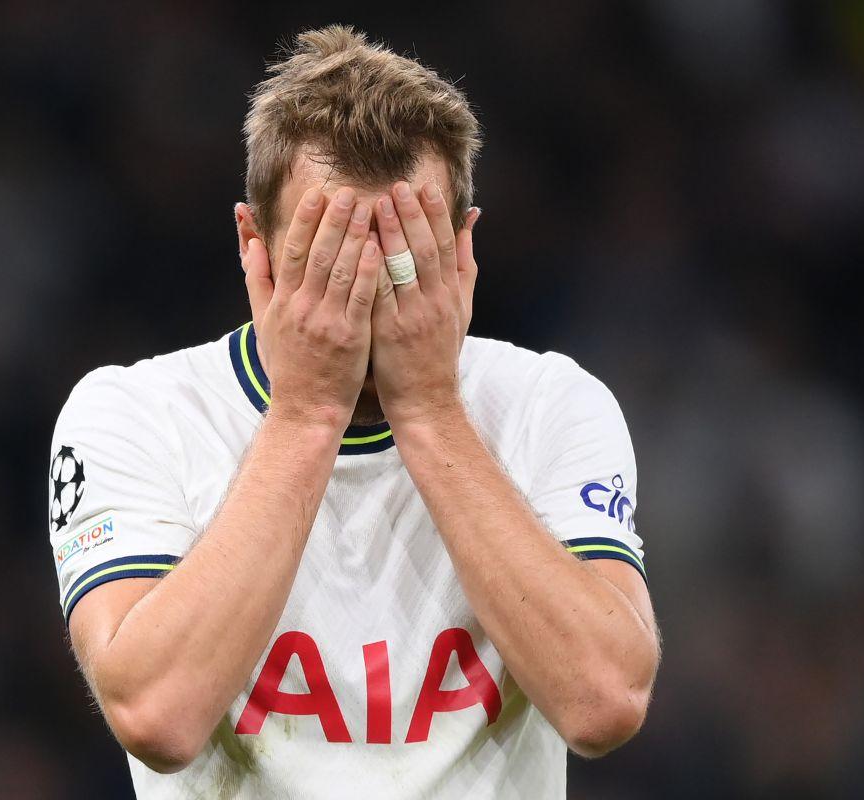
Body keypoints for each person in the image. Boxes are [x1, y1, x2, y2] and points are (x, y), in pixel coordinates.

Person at [47, 25, 659, 799]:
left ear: (462, 252)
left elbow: (604, 701)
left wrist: (431, 409)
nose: (364, 289)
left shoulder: (551, 405)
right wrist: (306, 412)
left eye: (403, 252)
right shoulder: (134, 415)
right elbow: (158, 715)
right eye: (330, 252)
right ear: (253, 243)